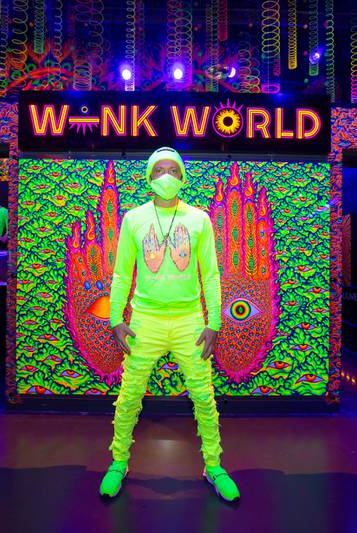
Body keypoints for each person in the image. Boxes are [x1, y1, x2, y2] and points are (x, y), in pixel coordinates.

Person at [99, 147, 240, 502]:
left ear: (182, 177)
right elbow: (121, 274)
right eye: (160, 170)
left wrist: (214, 322)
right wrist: (116, 318)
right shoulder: (133, 218)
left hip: (189, 319)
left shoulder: (199, 219)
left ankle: (214, 466)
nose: (166, 176)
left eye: (173, 170)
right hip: (145, 320)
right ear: (149, 177)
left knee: (203, 396)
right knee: (130, 395)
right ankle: (118, 461)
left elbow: (211, 274)